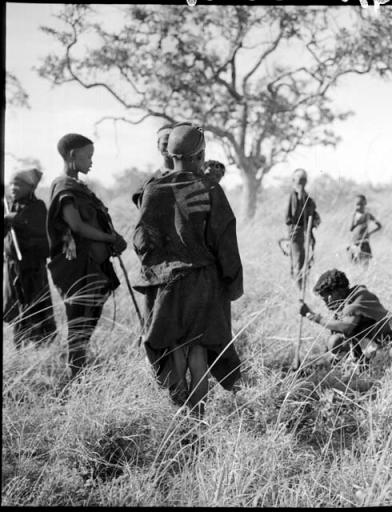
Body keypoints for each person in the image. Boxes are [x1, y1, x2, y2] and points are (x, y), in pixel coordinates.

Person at [132, 122, 244, 417]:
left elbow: (142, 240)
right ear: (201, 152)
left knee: (175, 347)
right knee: (198, 350)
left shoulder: (153, 189)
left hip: (168, 283)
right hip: (204, 282)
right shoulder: (208, 188)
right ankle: (198, 417)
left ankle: (180, 414)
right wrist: (232, 282)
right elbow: (225, 239)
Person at [47, 133, 127, 380]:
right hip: (79, 268)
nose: (92, 161)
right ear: (73, 155)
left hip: (95, 267)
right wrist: (110, 238)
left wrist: (110, 238)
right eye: (88, 155)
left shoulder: (80, 187)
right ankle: (75, 377)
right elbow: (77, 226)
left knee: (87, 323)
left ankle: (80, 375)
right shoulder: (64, 187)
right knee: (78, 324)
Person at [299, 269, 392, 366]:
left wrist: (313, 317)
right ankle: (358, 362)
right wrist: (310, 362)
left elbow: (346, 327)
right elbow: (332, 345)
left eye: (327, 298)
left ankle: (366, 362)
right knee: (335, 341)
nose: (327, 303)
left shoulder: (359, 297)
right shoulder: (342, 307)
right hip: (378, 345)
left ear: (338, 291)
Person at [3, 167, 57, 348]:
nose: (13, 187)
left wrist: (18, 221)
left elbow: (43, 235)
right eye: (11, 183)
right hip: (12, 268)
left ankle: (40, 347)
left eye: (18, 184)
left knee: (35, 306)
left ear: (31, 187)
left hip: (32, 268)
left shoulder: (37, 207)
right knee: (17, 307)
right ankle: (20, 347)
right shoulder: (8, 206)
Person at [285, 168, 320, 289]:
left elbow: (315, 216)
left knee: (307, 262)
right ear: (293, 180)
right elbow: (289, 218)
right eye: (298, 179)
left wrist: (314, 221)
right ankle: (298, 290)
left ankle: (303, 288)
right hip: (296, 233)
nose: (301, 182)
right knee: (298, 262)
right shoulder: (293, 196)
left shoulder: (309, 199)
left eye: (303, 179)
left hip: (308, 233)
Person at [132, 124, 174, 207]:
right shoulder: (151, 181)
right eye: (165, 144)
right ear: (158, 146)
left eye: (172, 143)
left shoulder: (191, 176)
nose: (168, 147)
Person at [347, 194, 382, 266]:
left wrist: (370, 233)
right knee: (354, 263)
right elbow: (351, 229)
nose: (359, 207)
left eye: (361, 204)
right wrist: (355, 220)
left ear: (365, 203)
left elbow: (379, 226)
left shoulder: (368, 215)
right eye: (357, 204)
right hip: (355, 241)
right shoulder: (354, 215)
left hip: (364, 241)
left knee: (365, 263)